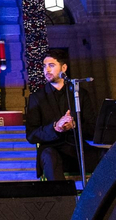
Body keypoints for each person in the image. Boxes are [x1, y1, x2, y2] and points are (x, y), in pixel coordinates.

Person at [25, 51, 106, 181]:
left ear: (63, 68)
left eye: (51, 65)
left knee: (107, 155)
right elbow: (31, 135)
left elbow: (92, 129)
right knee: (50, 157)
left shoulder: (80, 94)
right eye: (45, 66)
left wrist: (74, 125)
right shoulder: (37, 98)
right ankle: (62, 195)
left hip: (77, 150)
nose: (47, 70)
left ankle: (100, 194)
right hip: (53, 150)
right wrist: (55, 128)